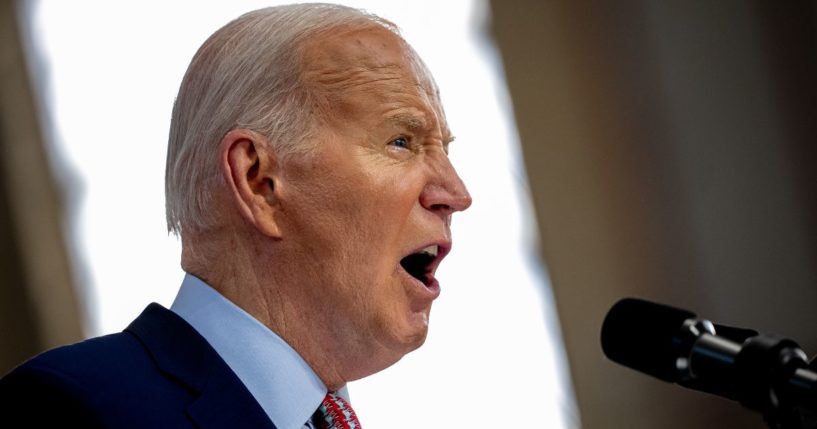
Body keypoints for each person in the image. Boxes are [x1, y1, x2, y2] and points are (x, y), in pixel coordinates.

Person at [0, 3, 471, 428]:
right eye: (402, 142)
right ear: (258, 180)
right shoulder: (71, 409)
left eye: (443, 151)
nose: (456, 193)